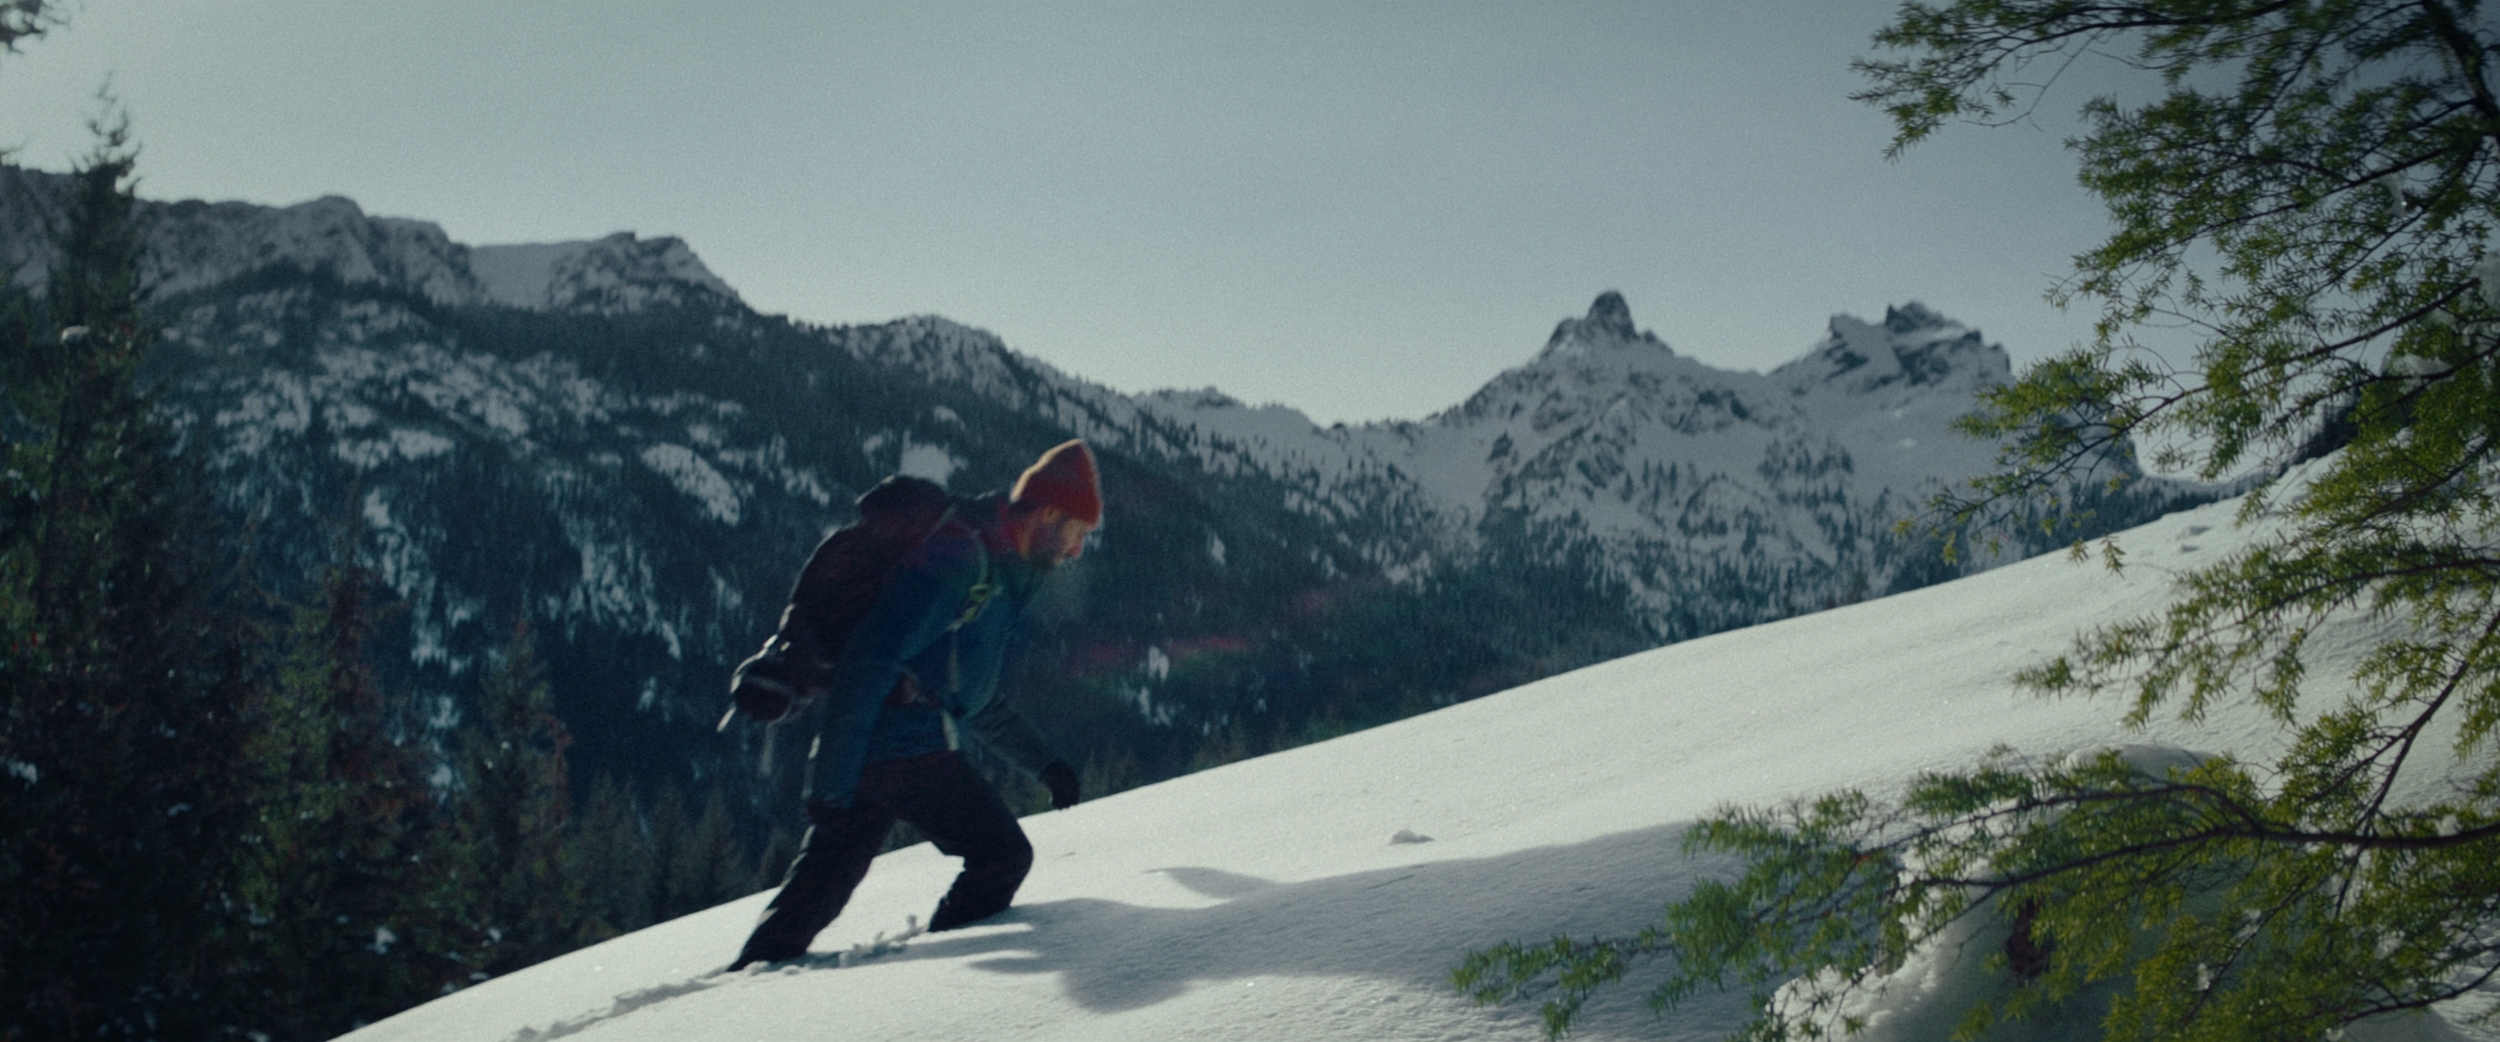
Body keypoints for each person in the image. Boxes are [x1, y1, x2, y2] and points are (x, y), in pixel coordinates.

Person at [730, 440, 1100, 970]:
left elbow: (970, 697)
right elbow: (870, 658)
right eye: (1077, 532)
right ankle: (947, 986)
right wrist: (830, 779)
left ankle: (743, 989)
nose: (1077, 550)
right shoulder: (962, 557)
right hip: (905, 748)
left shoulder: (1000, 575)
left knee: (814, 894)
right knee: (1002, 856)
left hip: (877, 751)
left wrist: (1046, 763)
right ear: (1046, 513)